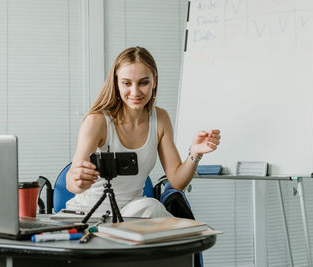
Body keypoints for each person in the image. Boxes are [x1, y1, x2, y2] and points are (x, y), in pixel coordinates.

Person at [65, 46, 221, 218]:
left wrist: (195, 153)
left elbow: (176, 182)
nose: (135, 92)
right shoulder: (97, 121)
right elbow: (71, 183)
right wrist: (78, 180)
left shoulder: (160, 118)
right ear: (116, 83)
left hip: (134, 213)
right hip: (89, 214)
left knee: (151, 206)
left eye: (143, 82)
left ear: (154, 81)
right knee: (153, 209)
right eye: (127, 83)